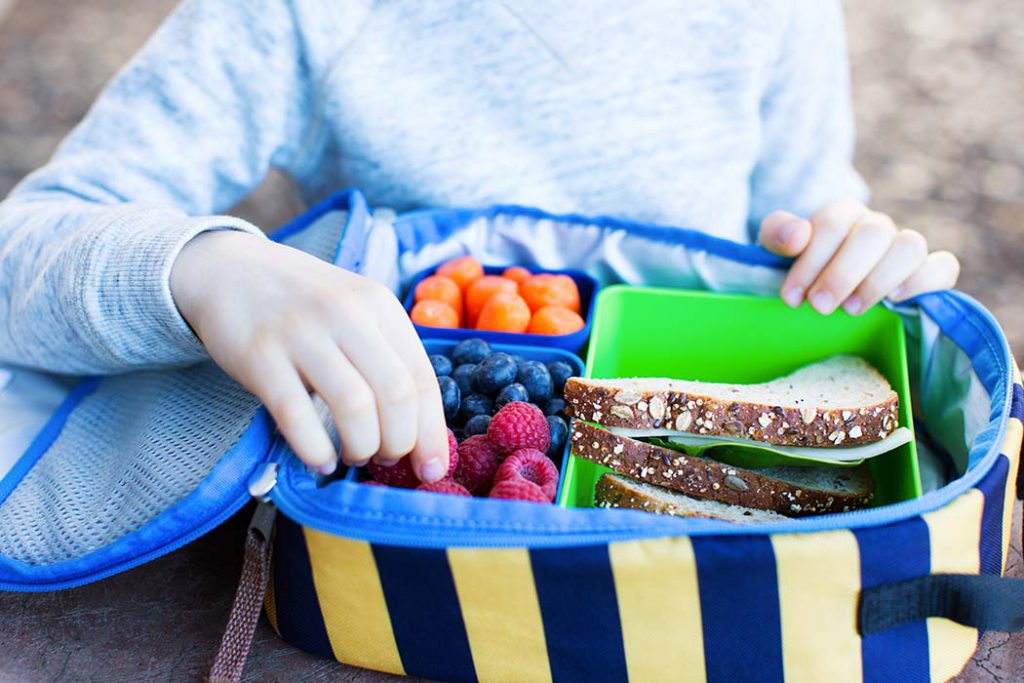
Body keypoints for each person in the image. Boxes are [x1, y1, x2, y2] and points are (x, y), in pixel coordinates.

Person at [0, 1, 959, 484]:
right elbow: (24, 249)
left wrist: (848, 248)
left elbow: (811, 206)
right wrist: (205, 266)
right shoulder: (294, 18)